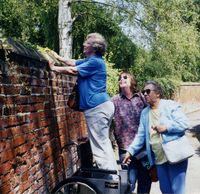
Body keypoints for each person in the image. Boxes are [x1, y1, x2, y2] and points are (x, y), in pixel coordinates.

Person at [49, 32, 118, 171]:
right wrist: (57, 57)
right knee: (103, 143)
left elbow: (73, 70)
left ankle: (108, 182)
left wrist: (54, 68)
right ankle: (112, 177)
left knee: (99, 147)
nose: (83, 44)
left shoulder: (95, 62)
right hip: (101, 106)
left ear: (94, 47)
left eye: (87, 43)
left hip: (97, 108)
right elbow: (73, 62)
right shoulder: (92, 60)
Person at [123, 80, 190, 194]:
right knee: (165, 190)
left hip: (175, 155)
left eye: (148, 91)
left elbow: (184, 124)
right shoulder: (145, 113)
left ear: (157, 93)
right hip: (159, 159)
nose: (144, 94)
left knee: (177, 190)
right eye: (143, 92)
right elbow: (141, 136)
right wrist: (130, 151)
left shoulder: (169, 105)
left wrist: (166, 127)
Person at [111, 72, 152, 194]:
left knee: (145, 182)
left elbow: (153, 113)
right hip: (125, 150)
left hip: (144, 149)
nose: (121, 79)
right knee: (128, 184)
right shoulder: (114, 100)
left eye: (125, 77)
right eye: (120, 78)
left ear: (132, 81)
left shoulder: (142, 98)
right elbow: (105, 120)